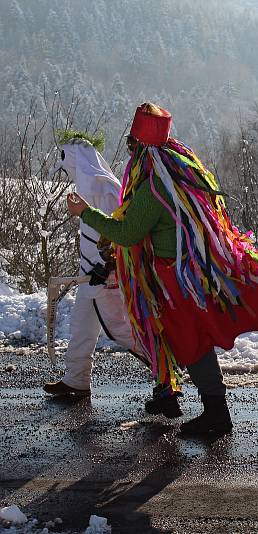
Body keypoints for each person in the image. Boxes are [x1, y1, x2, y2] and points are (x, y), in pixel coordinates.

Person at [66, 103, 258, 435]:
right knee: (171, 337)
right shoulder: (177, 174)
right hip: (184, 276)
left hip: (175, 281)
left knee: (191, 344)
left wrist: (85, 212)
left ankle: (216, 414)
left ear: (139, 148)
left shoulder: (155, 187)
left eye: (131, 146)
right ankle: (171, 395)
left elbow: (127, 233)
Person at [43, 133, 145, 398]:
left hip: (105, 276)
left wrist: (109, 267)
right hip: (89, 273)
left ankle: (167, 371)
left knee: (121, 331)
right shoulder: (87, 189)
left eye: (67, 169)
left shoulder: (104, 188)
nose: (67, 175)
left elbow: (118, 231)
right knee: (82, 326)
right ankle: (76, 379)